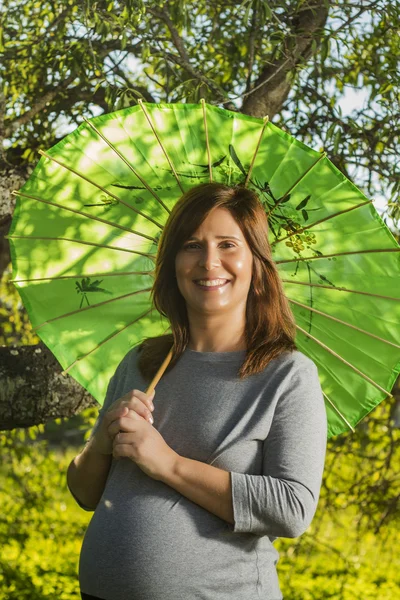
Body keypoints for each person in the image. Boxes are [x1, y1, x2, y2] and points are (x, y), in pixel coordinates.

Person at [67, 182, 327, 600]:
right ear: (173, 262)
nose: (209, 262)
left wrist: (166, 463)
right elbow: (84, 492)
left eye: (228, 245)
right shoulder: (141, 363)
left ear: (256, 262)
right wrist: (100, 443)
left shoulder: (287, 376)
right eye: (191, 245)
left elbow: (291, 508)